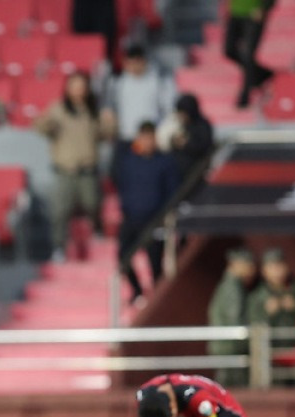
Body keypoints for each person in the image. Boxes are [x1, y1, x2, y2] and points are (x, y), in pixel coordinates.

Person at [34, 71, 110, 260]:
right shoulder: (58, 110)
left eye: (81, 87)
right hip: (65, 169)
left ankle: (98, 231)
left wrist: (109, 121)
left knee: (93, 203)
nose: (78, 91)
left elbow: (106, 133)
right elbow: (41, 127)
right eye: (74, 87)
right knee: (60, 211)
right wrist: (46, 122)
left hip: (87, 169)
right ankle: (59, 248)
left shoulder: (93, 110)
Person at [112, 121, 180, 303]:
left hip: (154, 220)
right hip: (131, 218)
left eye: (151, 138)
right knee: (123, 257)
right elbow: (122, 185)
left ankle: (158, 299)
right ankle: (137, 291)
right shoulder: (128, 161)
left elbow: (172, 192)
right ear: (139, 139)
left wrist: (164, 215)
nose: (148, 142)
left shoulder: (165, 162)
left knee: (156, 263)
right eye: (144, 138)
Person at [245, 248, 295, 358]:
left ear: (286, 268)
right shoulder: (257, 297)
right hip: (270, 354)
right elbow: (252, 324)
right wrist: (267, 313)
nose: (276, 271)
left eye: (279, 266)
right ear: (264, 271)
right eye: (272, 267)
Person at [100, 45, 175, 143]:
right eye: (131, 62)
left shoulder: (157, 81)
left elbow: (167, 108)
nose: (134, 66)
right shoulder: (118, 83)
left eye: (137, 62)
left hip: (150, 137)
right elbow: (109, 109)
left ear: (144, 61)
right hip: (126, 135)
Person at [207, 248, 256, 387]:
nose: (251, 268)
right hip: (230, 349)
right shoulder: (232, 287)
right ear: (235, 264)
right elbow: (235, 320)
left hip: (227, 348)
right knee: (232, 392)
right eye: (247, 263)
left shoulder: (232, 285)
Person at [223, 0, 275, 107]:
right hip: (236, 13)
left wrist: (263, 8)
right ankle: (261, 74)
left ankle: (245, 96)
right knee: (229, 50)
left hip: (253, 14)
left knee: (248, 55)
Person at [168, 93, 215, 178]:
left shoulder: (202, 126)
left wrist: (186, 144)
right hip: (177, 172)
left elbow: (205, 147)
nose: (181, 116)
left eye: (184, 113)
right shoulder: (178, 123)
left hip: (196, 173)